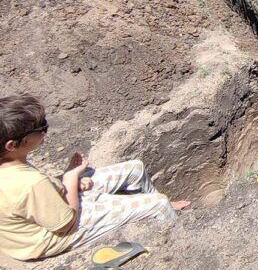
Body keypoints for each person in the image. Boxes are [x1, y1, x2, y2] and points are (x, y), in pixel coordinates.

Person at [0, 95, 190, 261]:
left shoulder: (11, 163)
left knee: (135, 168)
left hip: (50, 209)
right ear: (11, 145)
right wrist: (71, 177)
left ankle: (153, 208)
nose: (44, 133)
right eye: (40, 130)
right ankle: (178, 241)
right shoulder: (30, 184)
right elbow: (66, 223)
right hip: (53, 236)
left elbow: (36, 194)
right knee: (158, 203)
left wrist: (68, 183)